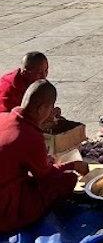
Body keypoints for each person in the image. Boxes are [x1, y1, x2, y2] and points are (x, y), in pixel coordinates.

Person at [0, 81, 86, 234]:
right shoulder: (29, 135)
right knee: (68, 180)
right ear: (41, 109)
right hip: (4, 210)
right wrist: (73, 165)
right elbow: (46, 176)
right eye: (51, 107)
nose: (52, 111)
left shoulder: (3, 117)